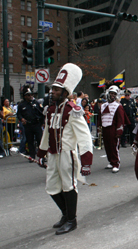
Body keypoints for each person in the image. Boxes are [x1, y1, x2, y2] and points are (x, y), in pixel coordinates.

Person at [37, 63, 93, 235]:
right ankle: (65, 214)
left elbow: (84, 137)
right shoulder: (51, 109)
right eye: (52, 89)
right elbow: (47, 132)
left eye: (56, 89)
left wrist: (86, 161)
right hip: (53, 154)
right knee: (52, 187)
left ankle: (71, 220)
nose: (52, 92)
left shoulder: (73, 110)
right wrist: (41, 153)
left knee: (68, 186)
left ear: (65, 92)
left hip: (67, 154)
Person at [98, 85, 126, 173]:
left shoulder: (118, 106)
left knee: (114, 146)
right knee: (107, 146)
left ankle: (116, 163)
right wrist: (99, 127)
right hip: (105, 128)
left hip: (113, 129)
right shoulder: (103, 106)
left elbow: (120, 119)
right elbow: (100, 117)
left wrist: (119, 130)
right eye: (111, 93)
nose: (112, 95)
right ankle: (110, 161)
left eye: (114, 94)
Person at [17, 86, 44, 161]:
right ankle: (32, 156)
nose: (31, 96)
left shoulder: (36, 103)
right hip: (28, 125)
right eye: (28, 95)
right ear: (25, 96)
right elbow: (18, 114)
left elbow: (41, 112)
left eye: (31, 95)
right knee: (30, 141)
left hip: (37, 124)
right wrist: (22, 119)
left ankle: (42, 156)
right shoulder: (22, 105)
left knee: (40, 140)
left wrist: (43, 122)